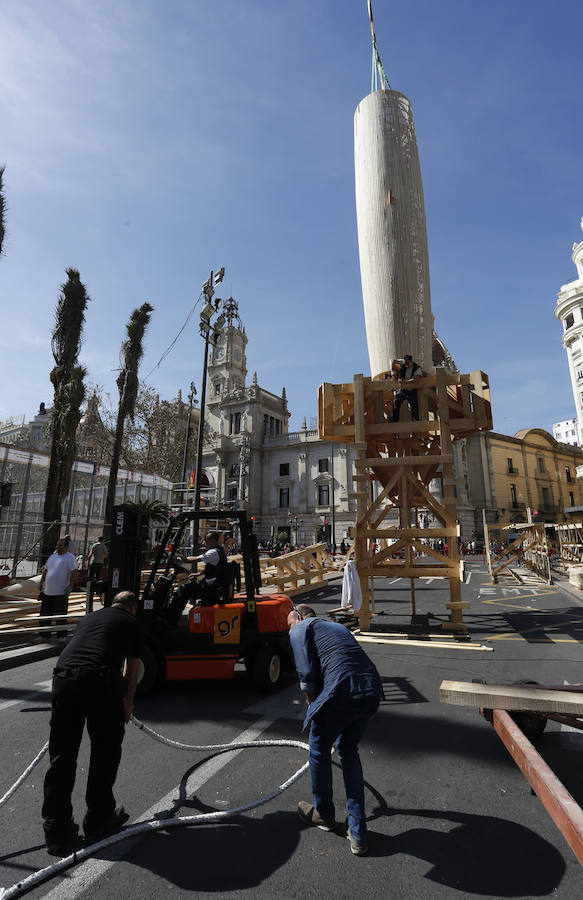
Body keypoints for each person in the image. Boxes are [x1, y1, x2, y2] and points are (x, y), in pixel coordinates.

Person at [42, 590, 142, 856]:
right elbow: (131, 670)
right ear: (133, 608)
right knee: (105, 752)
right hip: (98, 682)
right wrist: (127, 703)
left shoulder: (90, 618)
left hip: (63, 679)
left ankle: (56, 830)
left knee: (61, 756)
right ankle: (99, 820)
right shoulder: (131, 623)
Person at [287, 604, 384, 856]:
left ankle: (324, 814)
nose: (288, 632)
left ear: (298, 616)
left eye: (288, 625)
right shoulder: (337, 627)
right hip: (371, 689)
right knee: (349, 750)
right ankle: (358, 832)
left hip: (340, 690)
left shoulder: (300, 628)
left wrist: (311, 704)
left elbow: (307, 672)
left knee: (318, 749)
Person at [166, 531, 228, 624]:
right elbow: (213, 567)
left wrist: (182, 559)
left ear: (213, 541)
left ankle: (170, 619)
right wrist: (198, 574)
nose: (204, 543)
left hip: (211, 585)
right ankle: (173, 617)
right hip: (214, 583)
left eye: (206, 541)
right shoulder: (219, 550)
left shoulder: (213, 552)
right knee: (186, 588)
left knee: (183, 589)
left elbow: (196, 559)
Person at [39, 537, 78, 641]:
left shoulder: (70, 557)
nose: (58, 547)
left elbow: (74, 572)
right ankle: (44, 635)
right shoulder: (53, 556)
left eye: (60, 545)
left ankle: (62, 636)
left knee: (60, 616)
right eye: (57, 545)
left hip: (61, 592)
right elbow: (46, 570)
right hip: (47, 592)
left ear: (66, 547)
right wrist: (41, 582)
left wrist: (71, 585)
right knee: (44, 615)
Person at [390, 354, 423, 422]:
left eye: (408, 363)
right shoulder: (403, 363)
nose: (407, 365)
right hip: (403, 390)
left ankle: (416, 420)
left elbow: (416, 379)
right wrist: (393, 372)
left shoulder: (417, 368)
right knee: (396, 401)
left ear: (411, 361)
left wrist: (406, 382)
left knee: (414, 405)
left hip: (411, 390)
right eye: (406, 363)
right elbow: (393, 361)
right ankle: (395, 419)